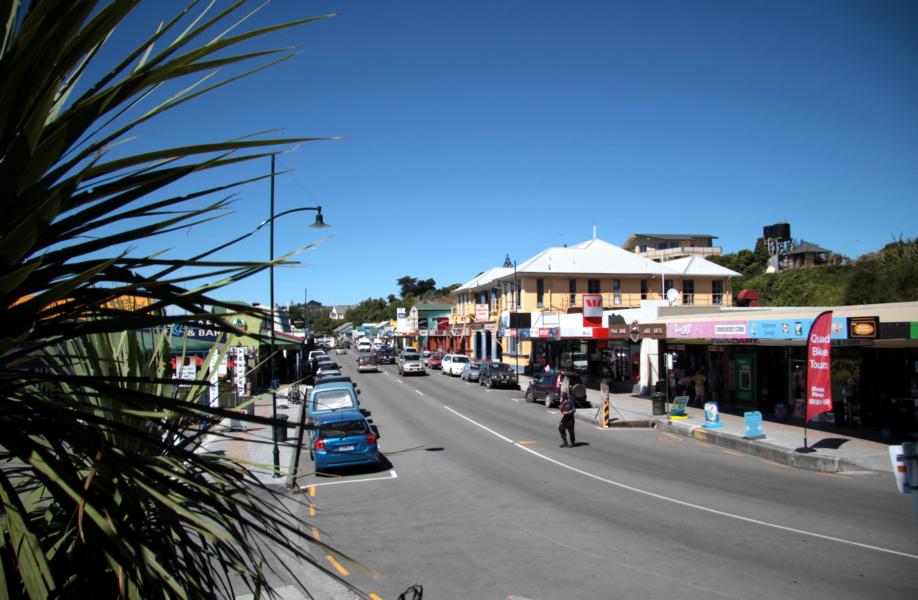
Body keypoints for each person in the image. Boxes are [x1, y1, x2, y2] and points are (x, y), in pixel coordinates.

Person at [558, 381, 576, 447]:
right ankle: (565, 442)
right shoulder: (563, 401)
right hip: (565, 418)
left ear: (566, 396)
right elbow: (560, 409)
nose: (562, 397)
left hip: (570, 418)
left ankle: (572, 442)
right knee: (560, 428)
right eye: (562, 396)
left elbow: (574, 410)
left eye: (563, 396)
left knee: (571, 431)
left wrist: (568, 412)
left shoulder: (570, 401)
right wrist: (563, 404)